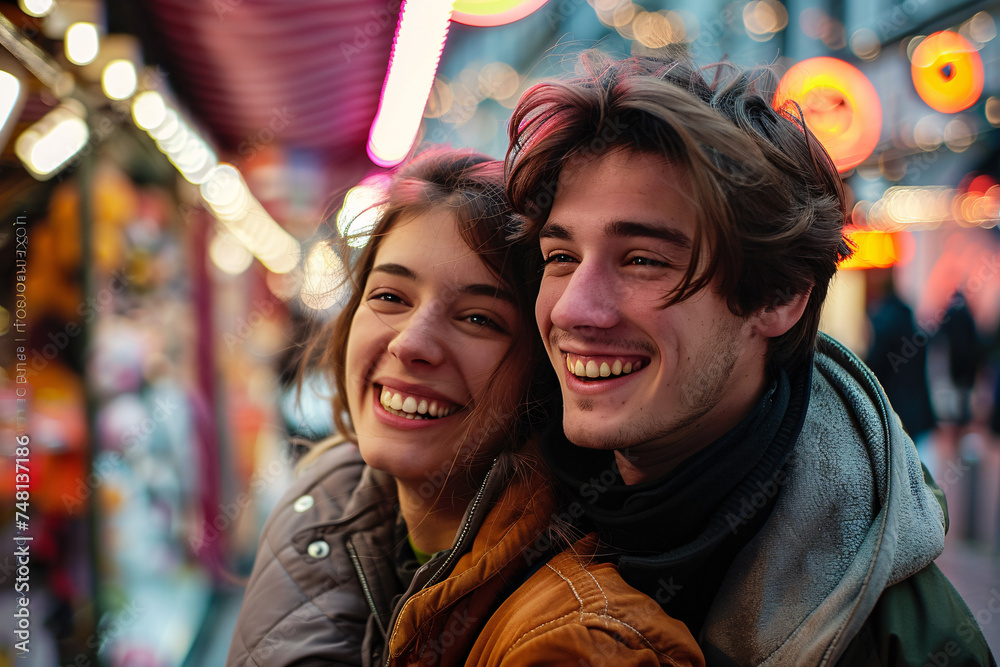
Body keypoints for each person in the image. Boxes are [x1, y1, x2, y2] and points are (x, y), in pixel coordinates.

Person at [504, 52, 995, 666]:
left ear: (780, 296)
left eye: (643, 260)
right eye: (561, 258)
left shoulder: (900, 642)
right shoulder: (487, 519)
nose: (575, 310)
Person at [226, 149, 704, 666]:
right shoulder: (323, 500)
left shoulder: (579, 639)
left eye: (478, 319)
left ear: (545, 373)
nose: (412, 344)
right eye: (390, 297)